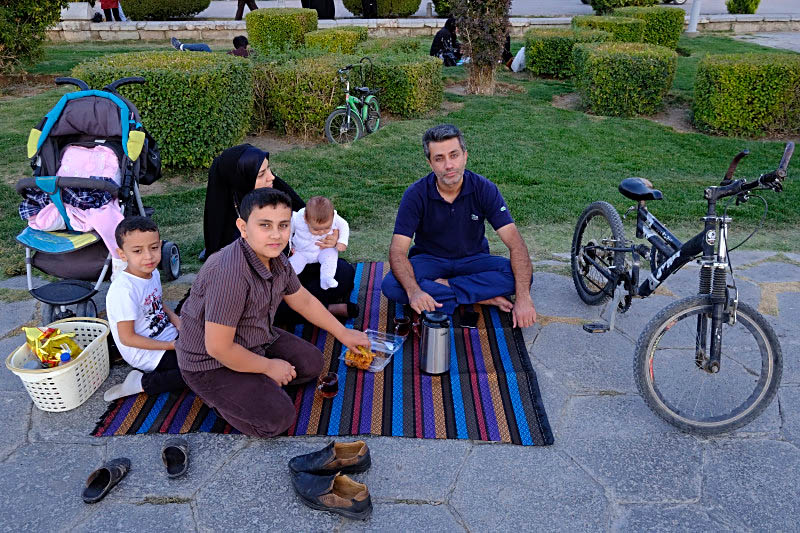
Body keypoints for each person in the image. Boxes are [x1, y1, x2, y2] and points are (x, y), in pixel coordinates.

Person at [176, 188, 369, 437]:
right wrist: (267, 367)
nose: (276, 235)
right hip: (209, 363)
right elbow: (219, 348)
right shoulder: (230, 273)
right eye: (265, 225)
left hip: (255, 336)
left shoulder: (276, 257)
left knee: (312, 364)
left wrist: (343, 334)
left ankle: (254, 383)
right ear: (243, 228)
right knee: (277, 419)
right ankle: (219, 397)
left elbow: (303, 301)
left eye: (283, 225)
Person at [381, 124, 537, 329]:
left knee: (518, 276)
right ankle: (481, 297)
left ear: (465, 156)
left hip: (473, 259)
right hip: (430, 260)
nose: (448, 165)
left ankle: (445, 292)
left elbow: (516, 245)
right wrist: (414, 291)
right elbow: (398, 251)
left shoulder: (484, 188)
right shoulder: (415, 194)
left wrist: (524, 299)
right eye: (439, 158)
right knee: (391, 285)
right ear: (430, 163)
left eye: (454, 155)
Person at [202, 144, 357, 319]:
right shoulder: (230, 217)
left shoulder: (275, 189)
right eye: (261, 174)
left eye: (268, 169)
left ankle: (310, 309)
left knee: (344, 273)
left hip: (292, 266)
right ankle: (326, 310)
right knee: (261, 306)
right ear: (242, 179)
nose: (271, 177)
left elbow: (306, 218)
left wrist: (331, 235)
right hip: (260, 284)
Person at [103, 217, 186, 401]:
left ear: (160, 245)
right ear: (122, 254)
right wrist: (172, 346)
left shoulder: (152, 272)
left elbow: (156, 302)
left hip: (166, 336)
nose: (148, 256)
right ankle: (141, 383)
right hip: (146, 353)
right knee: (196, 373)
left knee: (211, 350)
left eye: (154, 248)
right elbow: (127, 338)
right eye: (137, 251)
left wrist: (176, 320)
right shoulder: (123, 290)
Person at [289, 196, 349, 290]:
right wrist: (288, 247)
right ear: (305, 218)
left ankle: (327, 279)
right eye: (316, 229)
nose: (321, 232)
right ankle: (285, 280)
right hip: (302, 251)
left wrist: (342, 241)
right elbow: (288, 231)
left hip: (324, 249)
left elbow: (344, 225)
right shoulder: (297, 219)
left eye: (326, 228)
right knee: (292, 266)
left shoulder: (333, 217)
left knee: (330, 260)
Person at [170, 35, 250, 57]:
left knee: (204, 46)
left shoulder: (231, 53)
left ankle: (180, 46)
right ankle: (181, 46)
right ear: (246, 45)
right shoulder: (251, 53)